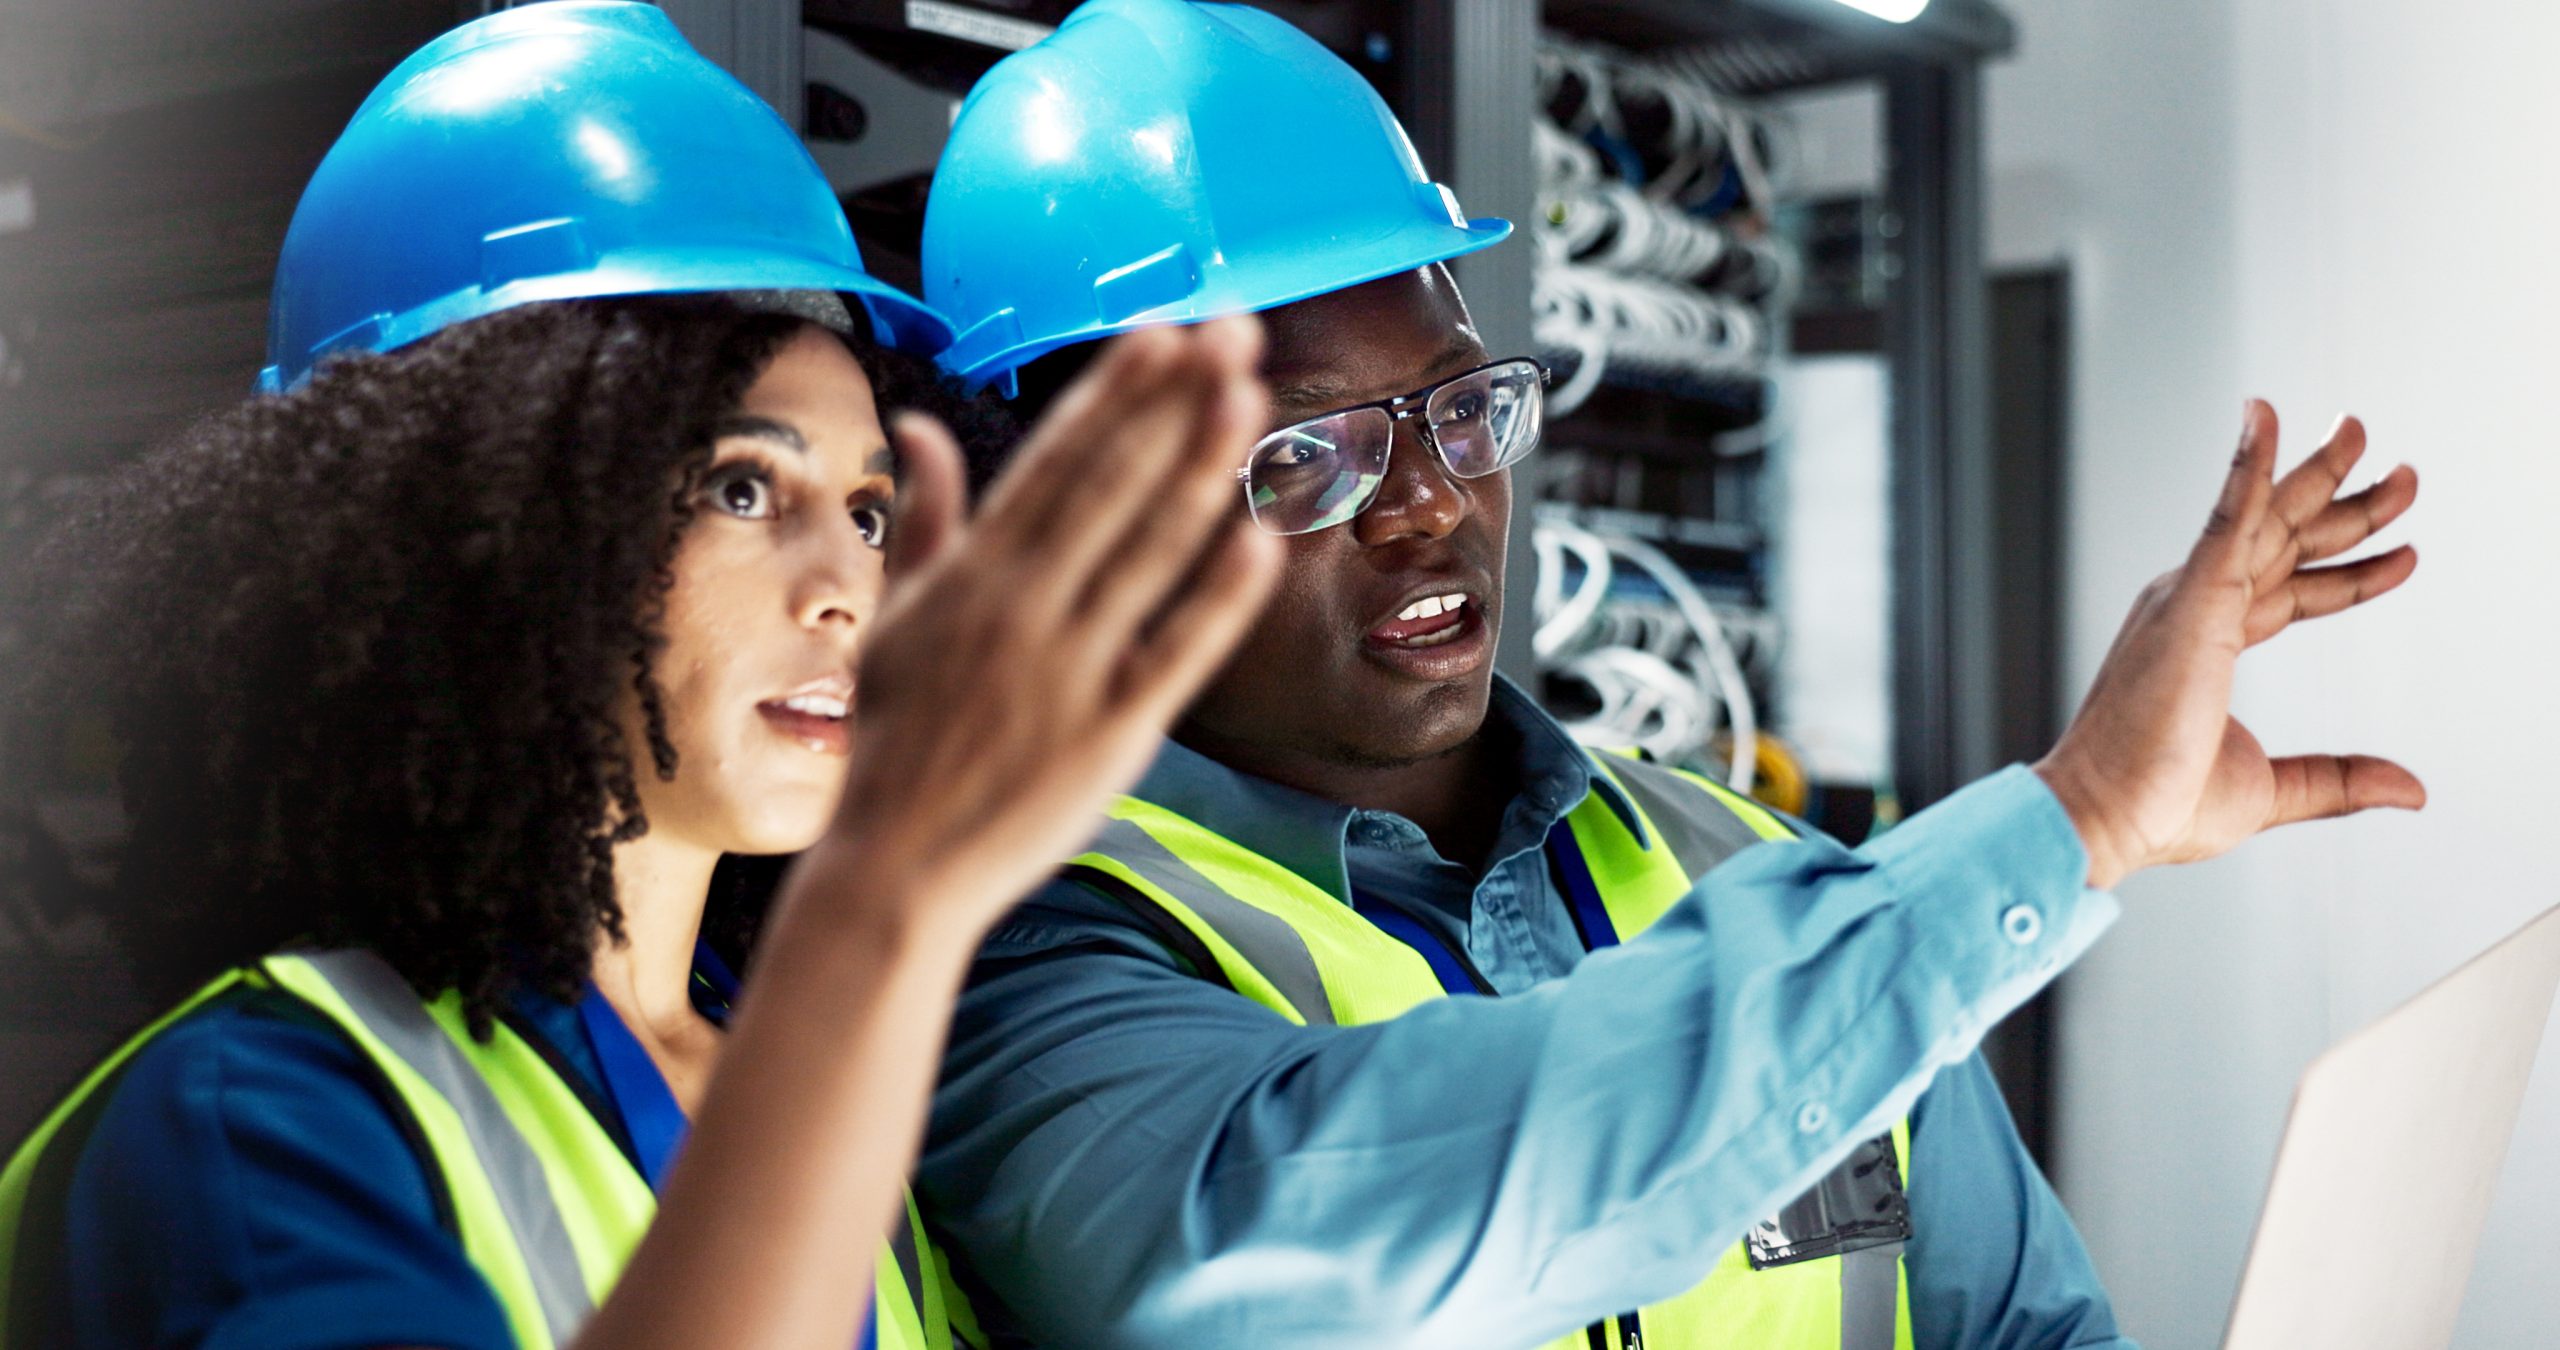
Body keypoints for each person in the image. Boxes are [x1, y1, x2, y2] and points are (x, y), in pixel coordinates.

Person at [911, 2, 2425, 1347]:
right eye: (1309, 454)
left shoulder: (1762, 865)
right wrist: (2074, 815)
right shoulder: (1023, 973)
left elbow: (2020, 1321)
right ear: (1060, 525)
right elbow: (1394, 1226)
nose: (1432, 500)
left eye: (1458, 408)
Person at [0, 6, 1276, 1350]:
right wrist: (878, 927)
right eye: (741, 485)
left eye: (870, 508)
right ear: (478, 526)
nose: (849, 582)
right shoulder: (253, 1120)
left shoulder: (799, 1079)